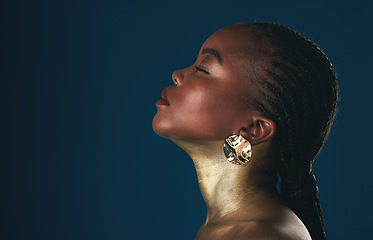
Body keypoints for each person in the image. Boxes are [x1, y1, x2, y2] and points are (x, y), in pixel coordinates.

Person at [152, 22, 338, 240]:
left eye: (203, 69)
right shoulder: (226, 229)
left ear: (254, 129)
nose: (177, 74)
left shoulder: (262, 234)